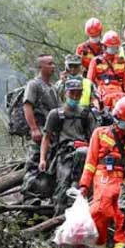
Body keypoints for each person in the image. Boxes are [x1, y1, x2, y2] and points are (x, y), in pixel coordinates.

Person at [79, 97, 125, 248]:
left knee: (122, 211)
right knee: (100, 208)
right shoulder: (100, 133)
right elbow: (90, 162)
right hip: (104, 174)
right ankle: (98, 245)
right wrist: (84, 185)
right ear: (116, 117)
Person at [39, 78, 96, 215]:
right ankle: (59, 222)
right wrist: (42, 159)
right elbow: (46, 137)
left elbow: (95, 137)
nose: (75, 97)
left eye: (78, 94)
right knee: (62, 189)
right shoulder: (56, 115)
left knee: (86, 187)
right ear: (65, 93)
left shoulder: (86, 114)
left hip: (84, 156)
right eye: (72, 94)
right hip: (64, 155)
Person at [20, 54, 60, 203]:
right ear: (40, 67)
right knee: (33, 164)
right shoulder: (34, 84)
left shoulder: (52, 87)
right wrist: (34, 128)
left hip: (51, 134)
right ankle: (29, 198)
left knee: (48, 165)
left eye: (53, 63)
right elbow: (27, 106)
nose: (53, 66)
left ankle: (43, 197)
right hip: (40, 131)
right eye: (49, 64)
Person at [87, 30, 125, 111]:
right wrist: (93, 99)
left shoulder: (122, 61)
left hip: (119, 95)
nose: (112, 49)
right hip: (102, 94)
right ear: (105, 46)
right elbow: (89, 82)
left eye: (114, 46)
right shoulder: (96, 61)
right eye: (110, 46)